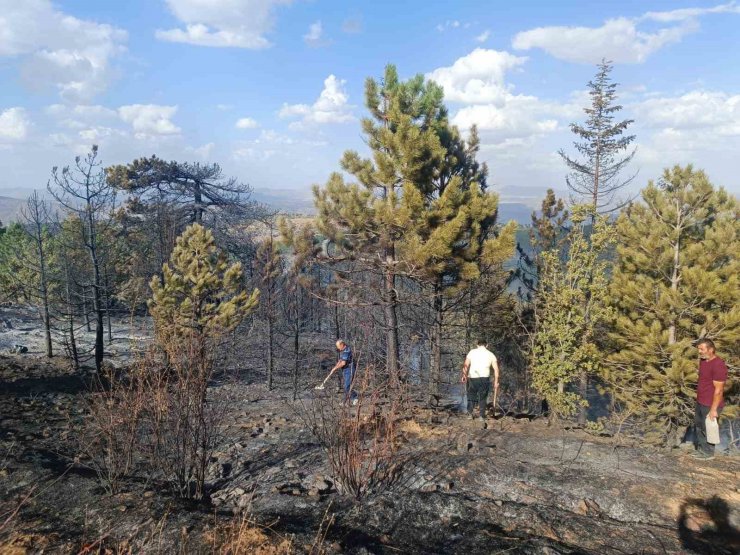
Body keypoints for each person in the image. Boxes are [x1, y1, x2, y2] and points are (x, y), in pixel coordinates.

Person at [693, 338, 728, 460]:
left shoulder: (718, 365)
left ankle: (708, 454)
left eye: (702, 349)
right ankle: (702, 450)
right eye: (699, 349)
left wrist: (713, 410)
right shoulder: (703, 361)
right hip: (701, 401)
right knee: (699, 426)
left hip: (711, 403)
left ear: (711, 349)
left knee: (707, 428)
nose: (699, 352)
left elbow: (719, 390)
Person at [461, 339, 500, 423]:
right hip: (484, 378)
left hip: (472, 377)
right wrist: (496, 382)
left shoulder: (472, 352)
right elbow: (496, 370)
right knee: (483, 397)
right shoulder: (491, 354)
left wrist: (464, 375)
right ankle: (481, 416)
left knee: (471, 396)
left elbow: (465, 365)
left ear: (477, 345)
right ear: (487, 345)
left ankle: (470, 414)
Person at [331, 339, 358, 405]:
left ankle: (355, 397)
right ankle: (345, 401)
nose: (337, 348)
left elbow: (343, 363)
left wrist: (335, 368)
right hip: (345, 370)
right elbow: (341, 359)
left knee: (347, 386)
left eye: (338, 346)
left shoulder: (346, 351)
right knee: (346, 386)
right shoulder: (343, 350)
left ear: (342, 344)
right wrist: (336, 365)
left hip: (349, 369)